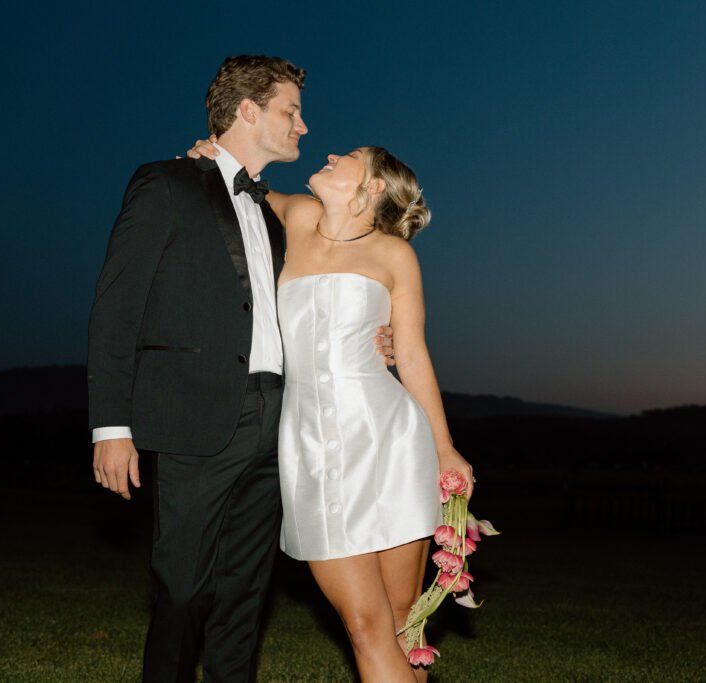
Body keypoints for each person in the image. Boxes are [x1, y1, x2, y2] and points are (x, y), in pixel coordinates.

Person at [87, 56, 393, 683]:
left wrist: (373, 334)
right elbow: (117, 309)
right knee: (181, 589)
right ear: (248, 111)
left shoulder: (285, 216)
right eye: (292, 111)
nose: (304, 127)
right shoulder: (165, 185)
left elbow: (322, 296)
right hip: (196, 418)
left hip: (279, 421)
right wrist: (109, 427)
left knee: (245, 597)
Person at [188, 140, 474, 682]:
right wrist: (215, 151)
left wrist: (444, 448)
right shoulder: (298, 214)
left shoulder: (394, 255)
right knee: (363, 625)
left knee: (396, 625)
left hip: (389, 443)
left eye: (348, 157)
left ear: (374, 187)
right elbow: (242, 179)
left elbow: (410, 353)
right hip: (310, 451)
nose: (329, 157)